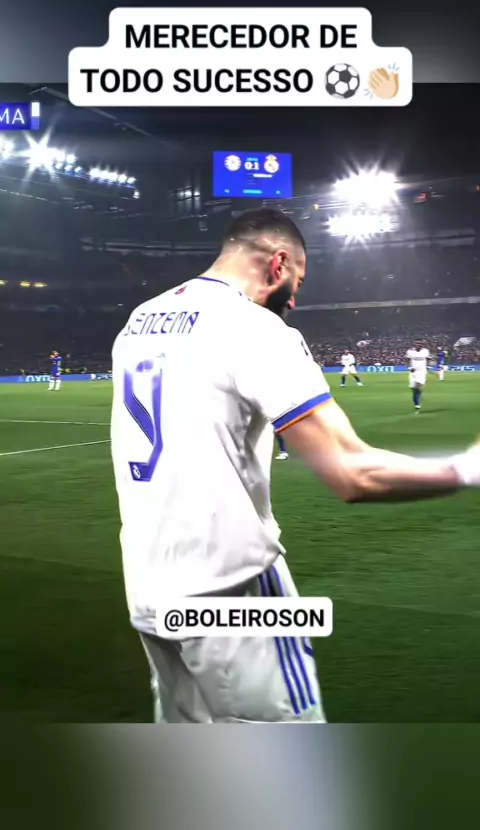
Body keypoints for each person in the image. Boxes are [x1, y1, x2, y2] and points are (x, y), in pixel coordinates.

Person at [111, 208, 480, 724]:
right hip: (232, 588)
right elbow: (352, 472)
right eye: (298, 283)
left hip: (148, 588)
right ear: (278, 264)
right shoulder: (252, 327)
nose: (295, 300)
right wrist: (465, 470)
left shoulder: (139, 321)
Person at [406, 340, 430, 413]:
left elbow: (428, 359)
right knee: (413, 389)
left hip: (422, 372)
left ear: (423, 345)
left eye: (420, 343)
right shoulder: (410, 351)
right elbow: (407, 360)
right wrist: (409, 368)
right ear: (414, 344)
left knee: (417, 386)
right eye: (417, 343)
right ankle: (416, 404)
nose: (419, 345)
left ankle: (418, 405)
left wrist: (428, 366)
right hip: (413, 372)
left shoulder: (425, 351)